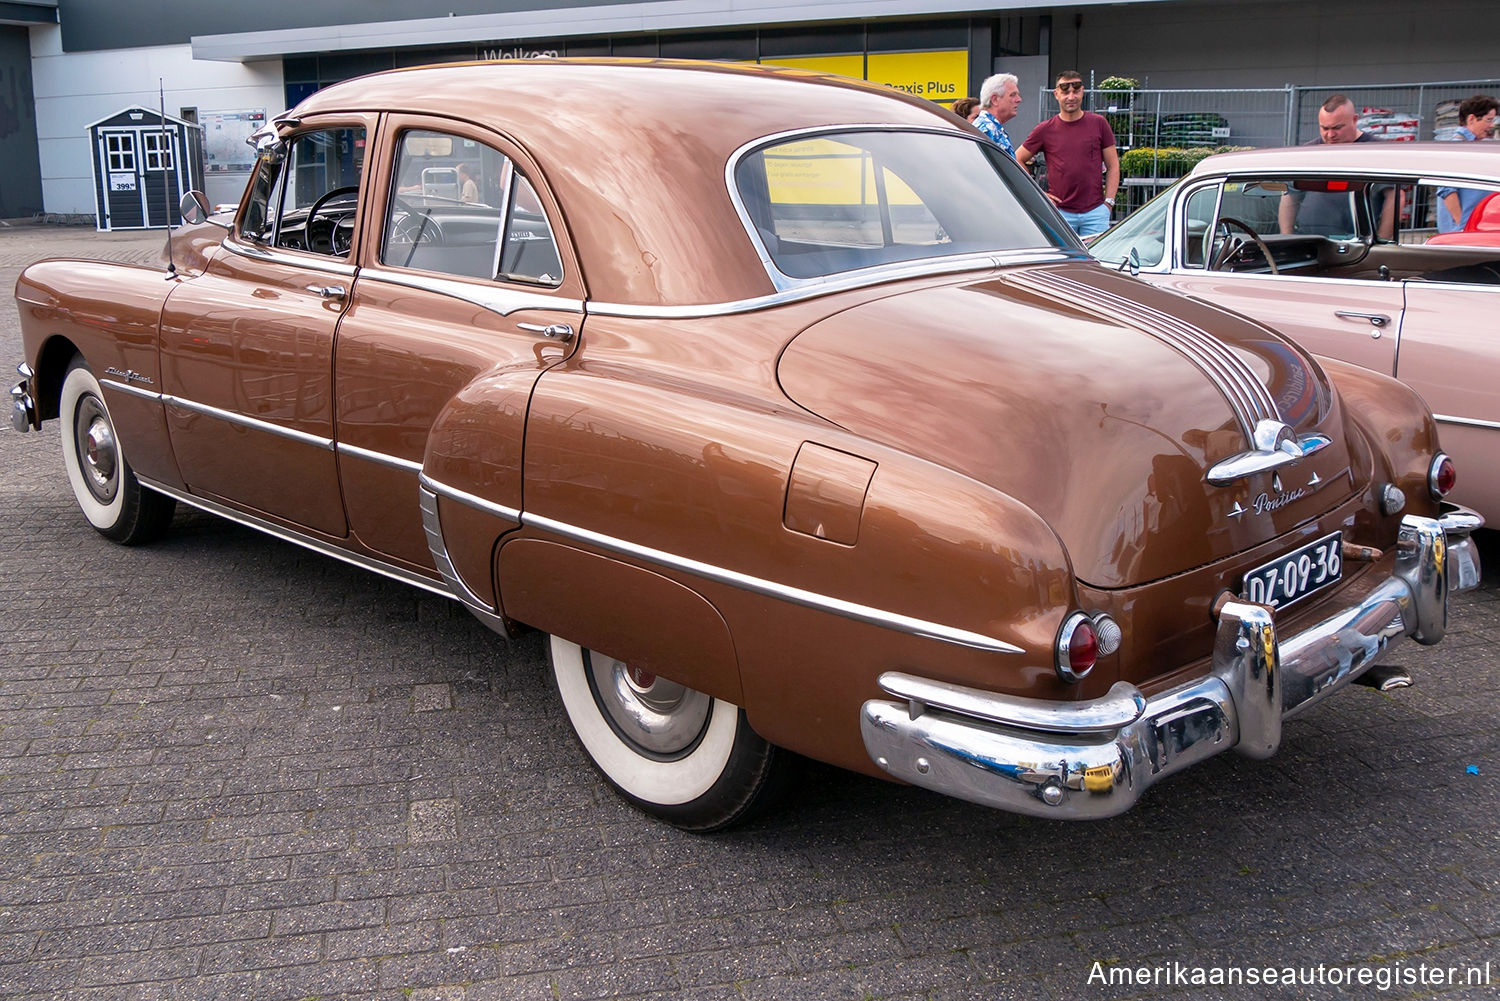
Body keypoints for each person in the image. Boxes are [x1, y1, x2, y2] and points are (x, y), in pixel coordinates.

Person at [1016, 71, 1119, 237]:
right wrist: (1039, 194)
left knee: (1095, 261)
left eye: (1076, 91)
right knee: (1064, 262)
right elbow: (1018, 159)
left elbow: (1113, 165)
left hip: (1096, 213)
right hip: (1060, 213)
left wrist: (1109, 203)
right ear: (1056, 94)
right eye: (1065, 92)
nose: (1071, 97)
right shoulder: (1045, 129)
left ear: (1082, 92)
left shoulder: (1099, 123)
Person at [1278, 94, 1387, 236]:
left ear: (1354, 120)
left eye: (1337, 127)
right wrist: (1286, 238)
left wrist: (1382, 242)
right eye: (1324, 128)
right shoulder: (1308, 152)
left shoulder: (1377, 151)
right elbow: (1289, 196)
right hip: (1309, 240)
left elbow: (1395, 199)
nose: (1330, 135)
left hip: (1359, 244)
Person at [1437, 94, 1499, 233]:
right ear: (1471, 119)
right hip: (1464, 230)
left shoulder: (1474, 147)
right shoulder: (1458, 148)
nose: (1492, 125)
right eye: (1488, 120)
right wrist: (1461, 226)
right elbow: (1447, 191)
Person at [973, 74, 1022, 157]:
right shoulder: (985, 130)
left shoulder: (993, 128)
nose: (1019, 99)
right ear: (995, 99)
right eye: (1013, 95)